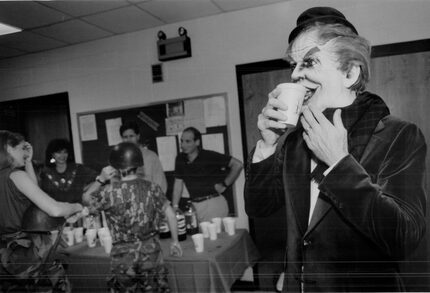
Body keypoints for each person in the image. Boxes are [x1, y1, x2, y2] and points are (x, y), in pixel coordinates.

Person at [244, 7, 427, 292]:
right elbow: (259, 207)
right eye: (294, 65)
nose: (295, 74)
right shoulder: (295, 142)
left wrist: (340, 164)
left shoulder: (398, 135)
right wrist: (267, 143)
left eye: (309, 62)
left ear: (350, 73)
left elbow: (404, 238)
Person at [82, 142, 182, 292]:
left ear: (116, 167)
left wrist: (101, 179)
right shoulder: (153, 187)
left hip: (123, 257)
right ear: (138, 165)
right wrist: (175, 242)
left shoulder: (109, 192)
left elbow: (86, 197)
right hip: (151, 253)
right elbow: (171, 215)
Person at [0, 130, 84, 292]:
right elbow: (54, 209)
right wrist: (76, 206)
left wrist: (29, 162)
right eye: (21, 148)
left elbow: (31, 193)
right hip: (28, 253)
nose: (25, 152)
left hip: (6, 258)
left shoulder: (9, 177)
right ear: (9, 149)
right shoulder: (15, 175)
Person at [172, 127, 243, 222]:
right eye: (182, 141)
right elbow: (178, 184)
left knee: (215, 236)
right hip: (195, 206)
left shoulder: (208, 156)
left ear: (197, 142)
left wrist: (224, 184)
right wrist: (175, 206)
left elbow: (237, 165)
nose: (183, 145)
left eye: (187, 141)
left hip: (213, 204)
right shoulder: (180, 158)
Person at [40, 138, 98, 203]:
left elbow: (98, 178)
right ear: (52, 154)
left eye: (65, 152)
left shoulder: (78, 168)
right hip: (56, 210)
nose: (62, 155)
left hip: (79, 209)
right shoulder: (46, 173)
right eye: (59, 152)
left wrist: (85, 190)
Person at [120, 121, 167, 194]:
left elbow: (161, 184)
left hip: (150, 201)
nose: (128, 140)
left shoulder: (151, 156)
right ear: (122, 139)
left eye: (131, 136)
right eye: (125, 137)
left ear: (138, 136)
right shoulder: (118, 159)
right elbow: (115, 186)